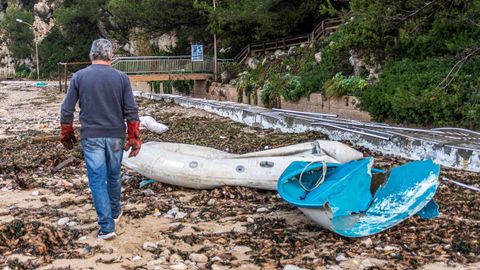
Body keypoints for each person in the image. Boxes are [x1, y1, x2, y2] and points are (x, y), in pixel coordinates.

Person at [59, 39, 141, 240]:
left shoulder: (79, 77)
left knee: (97, 179)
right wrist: (134, 137)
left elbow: (66, 109)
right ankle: (114, 213)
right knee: (114, 175)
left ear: (91, 55)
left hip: (92, 136)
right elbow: (131, 110)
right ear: (111, 56)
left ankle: (106, 227)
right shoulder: (121, 78)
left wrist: (67, 133)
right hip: (115, 136)